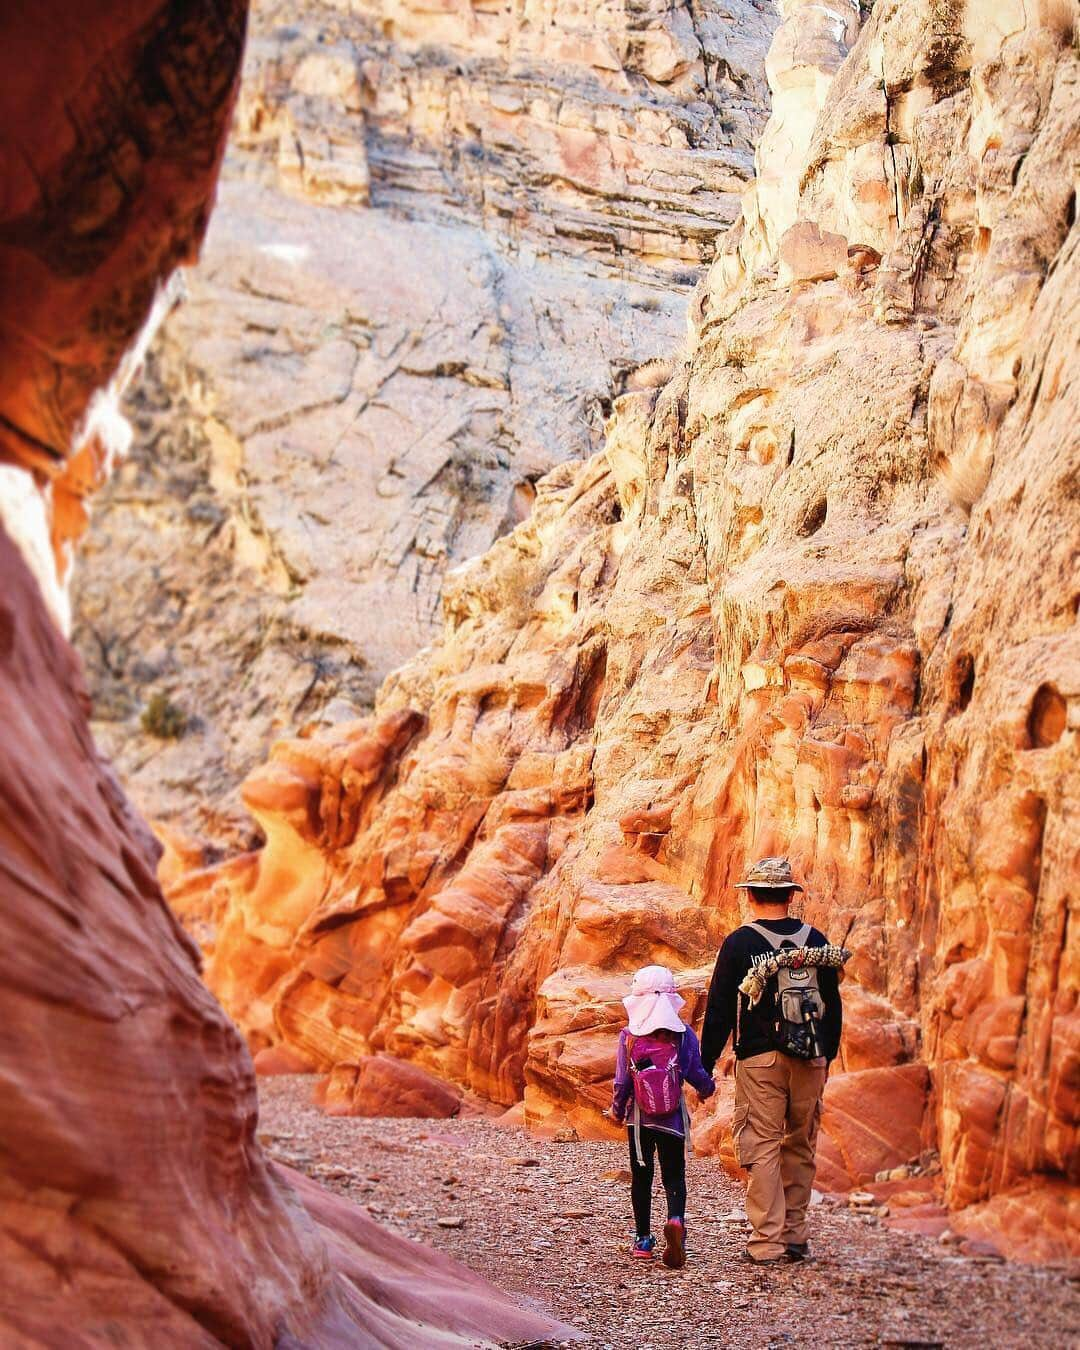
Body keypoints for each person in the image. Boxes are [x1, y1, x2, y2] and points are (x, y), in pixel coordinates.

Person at [701, 857, 845, 1266]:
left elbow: (719, 1011)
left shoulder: (739, 943)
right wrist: (826, 1056)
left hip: (761, 1060)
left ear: (748, 895)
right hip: (811, 1058)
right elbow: (832, 1006)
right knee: (800, 1143)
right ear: (789, 896)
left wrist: (706, 1061)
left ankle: (767, 1243)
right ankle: (796, 1238)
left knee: (762, 1146)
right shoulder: (816, 940)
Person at [609, 964, 715, 1268]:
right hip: (673, 1119)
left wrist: (618, 1110)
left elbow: (622, 1081)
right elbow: (696, 1072)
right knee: (674, 1175)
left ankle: (643, 1240)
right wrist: (708, 1089)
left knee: (641, 1179)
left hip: (640, 1121)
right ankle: (676, 1222)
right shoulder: (683, 1036)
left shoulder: (629, 1037)